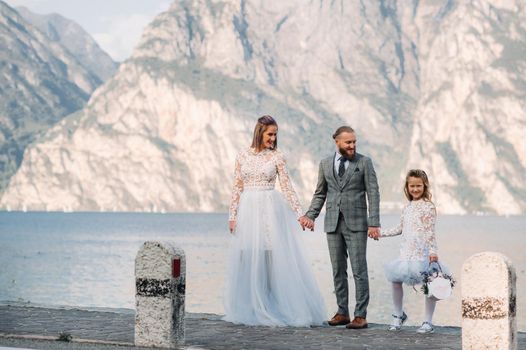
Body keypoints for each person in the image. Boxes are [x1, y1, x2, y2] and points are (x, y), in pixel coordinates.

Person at [224, 115, 326, 327]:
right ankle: (251, 305)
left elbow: (287, 187)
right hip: (247, 210)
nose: (273, 138)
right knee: (248, 257)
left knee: (269, 258)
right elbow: (237, 187)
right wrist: (232, 216)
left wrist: (300, 214)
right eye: (270, 134)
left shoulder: (278, 156)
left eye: (275, 134)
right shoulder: (242, 155)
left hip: (270, 209)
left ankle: (271, 305)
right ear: (259, 132)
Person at [299, 126, 380, 329]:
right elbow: (320, 194)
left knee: (359, 270)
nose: (352, 146)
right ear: (337, 141)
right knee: (338, 270)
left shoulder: (364, 162)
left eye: (354, 142)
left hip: (357, 224)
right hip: (333, 223)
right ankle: (342, 312)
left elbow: (373, 193)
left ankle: (360, 315)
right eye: (348, 142)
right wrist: (311, 215)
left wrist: (374, 223)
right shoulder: (325, 164)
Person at [379, 169, 446, 334]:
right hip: (405, 253)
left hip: (422, 252)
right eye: (412, 186)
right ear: (407, 187)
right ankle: (398, 315)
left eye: (418, 186)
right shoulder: (407, 207)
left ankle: (428, 322)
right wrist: (381, 233)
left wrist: (433, 252)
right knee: (395, 281)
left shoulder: (428, 207)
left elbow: (430, 231)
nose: (415, 189)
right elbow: (400, 229)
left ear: (425, 186)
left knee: (429, 283)